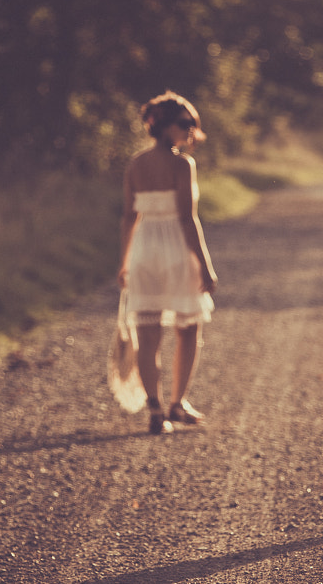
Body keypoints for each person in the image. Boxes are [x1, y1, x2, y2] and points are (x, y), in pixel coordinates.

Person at [118, 91, 218, 435]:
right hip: (175, 247)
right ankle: (177, 403)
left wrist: (124, 262)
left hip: (143, 250)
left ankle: (156, 410)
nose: (190, 131)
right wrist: (205, 265)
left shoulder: (135, 164)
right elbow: (188, 219)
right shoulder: (181, 164)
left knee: (148, 336)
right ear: (165, 126)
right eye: (185, 124)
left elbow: (129, 216)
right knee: (188, 327)